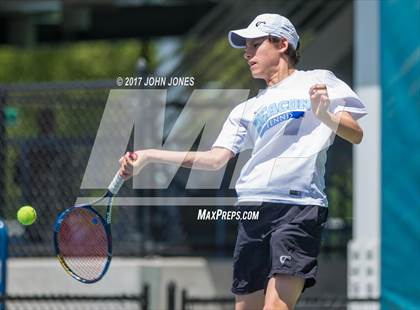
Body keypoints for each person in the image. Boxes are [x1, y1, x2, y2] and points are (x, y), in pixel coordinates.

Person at [119, 13, 366, 310]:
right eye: (245, 47)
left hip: (299, 209)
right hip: (251, 210)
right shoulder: (246, 109)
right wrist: (150, 155)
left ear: (282, 43)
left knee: (276, 306)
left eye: (255, 45)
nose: (246, 54)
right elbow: (214, 160)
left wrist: (325, 114)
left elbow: (356, 134)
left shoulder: (319, 81)